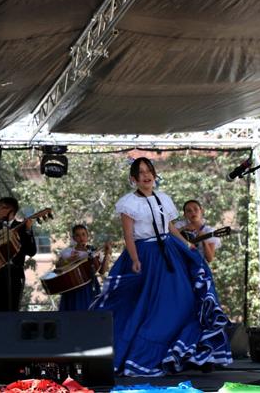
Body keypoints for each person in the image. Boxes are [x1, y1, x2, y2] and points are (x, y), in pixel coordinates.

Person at [90, 157, 230, 376]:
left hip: (170, 250)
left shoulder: (163, 198)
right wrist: (135, 259)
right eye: (141, 172)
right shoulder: (128, 203)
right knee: (152, 306)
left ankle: (187, 352)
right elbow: (128, 235)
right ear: (134, 179)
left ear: (154, 175)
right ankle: (150, 354)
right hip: (146, 255)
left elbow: (170, 227)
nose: (146, 175)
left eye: (149, 171)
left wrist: (186, 244)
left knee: (184, 299)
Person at [55, 224, 110, 311]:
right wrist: (69, 260)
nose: (81, 237)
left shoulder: (94, 251)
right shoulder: (68, 252)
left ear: (87, 236)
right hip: (72, 286)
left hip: (90, 286)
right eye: (78, 235)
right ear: (73, 238)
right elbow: (58, 266)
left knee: (90, 314)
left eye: (84, 234)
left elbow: (102, 271)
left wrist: (107, 254)